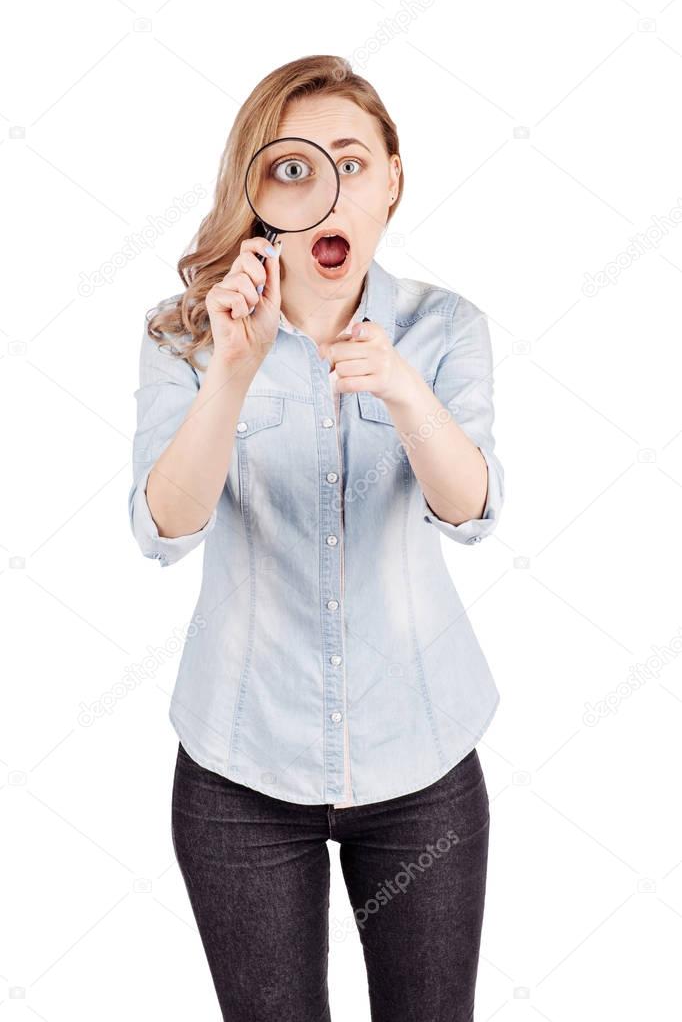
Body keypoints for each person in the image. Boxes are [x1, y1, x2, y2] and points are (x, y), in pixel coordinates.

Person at [129, 54, 504, 1022]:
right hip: (238, 772)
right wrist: (232, 375)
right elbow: (164, 524)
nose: (325, 192)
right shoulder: (186, 336)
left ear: (390, 181)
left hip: (420, 760)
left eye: (351, 162)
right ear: (256, 192)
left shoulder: (445, 329)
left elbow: (469, 511)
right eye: (292, 168)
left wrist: (403, 388)